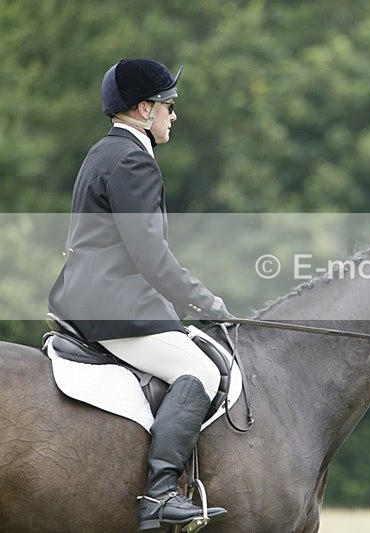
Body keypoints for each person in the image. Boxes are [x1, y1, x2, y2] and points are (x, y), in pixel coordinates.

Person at [48, 58, 230, 531]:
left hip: (88, 299)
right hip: (115, 308)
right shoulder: (134, 160)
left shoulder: (102, 152)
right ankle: (160, 495)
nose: (174, 115)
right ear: (144, 110)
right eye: (169, 105)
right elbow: (150, 255)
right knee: (202, 369)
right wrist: (204, 301)